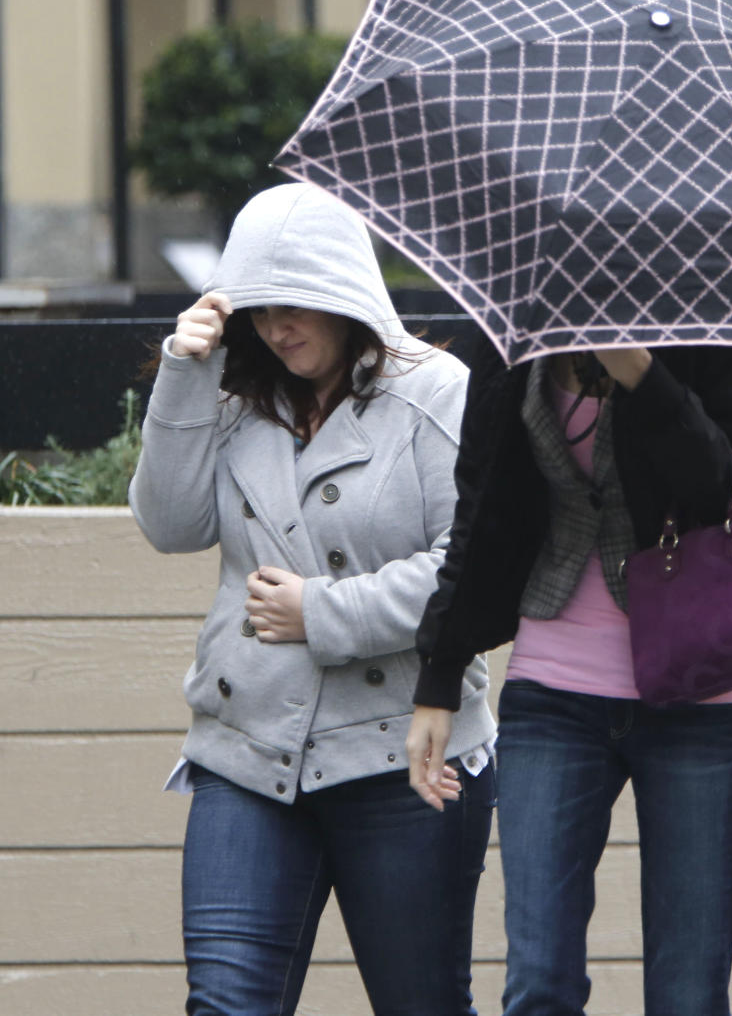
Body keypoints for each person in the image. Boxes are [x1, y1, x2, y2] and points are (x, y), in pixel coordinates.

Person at [129, 183, 496, 1016]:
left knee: (423, 1004)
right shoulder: (228, 393)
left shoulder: (435, 392)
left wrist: (324, 613)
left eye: (296, 304)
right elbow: (170, 525)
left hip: (400, 754)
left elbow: (473, 566)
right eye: (258, 308)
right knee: (224, 1006)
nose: (276, 327)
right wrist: (184, 377)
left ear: (345, 291)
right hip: (246, 750)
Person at [407, 337, 732, 1016]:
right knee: (538, 983)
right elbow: (480, 506)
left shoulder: (717, 327)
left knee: (688, 996)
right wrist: (440, 671)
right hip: (555, 689)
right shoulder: (516, 332)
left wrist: (638, 371)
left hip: (704, 692)